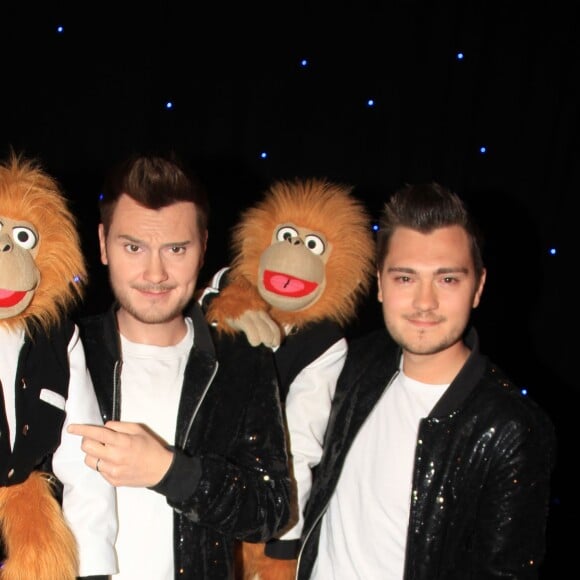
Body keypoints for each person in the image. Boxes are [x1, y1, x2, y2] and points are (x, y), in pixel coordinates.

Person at [297, 182, 557, 579]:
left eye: (447, 279)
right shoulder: (353, 363)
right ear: (380, 284)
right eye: (405, 278)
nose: (424, 302)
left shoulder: (511, 429)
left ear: (478, 287)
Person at [67, 151, 292, 580]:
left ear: (203, 247)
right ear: (102, 244)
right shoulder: (66, 352)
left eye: (176, 248)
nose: (155, 272)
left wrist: (173, 473)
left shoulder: (242, 362)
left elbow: (272, 509)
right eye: (133, 246)